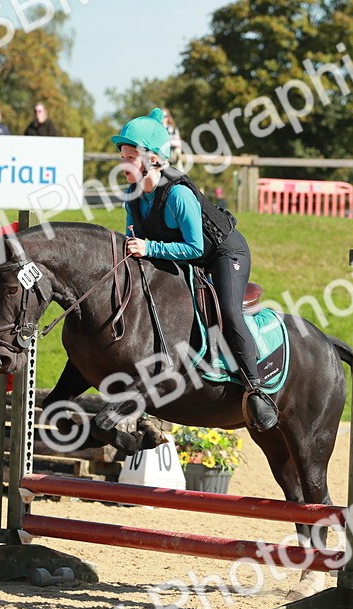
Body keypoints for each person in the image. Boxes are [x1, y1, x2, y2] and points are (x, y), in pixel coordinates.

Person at [112, 108, 279, 432]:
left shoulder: (178, 194)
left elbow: (196, 248)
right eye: (123, 156)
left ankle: (256, 389)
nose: (124, 164)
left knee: (230, 313)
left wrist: (150, 248)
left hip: (223, 253)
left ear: (153, 159)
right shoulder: (132, 198)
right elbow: (137, 241)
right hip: (187, 257)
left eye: (131, 156)